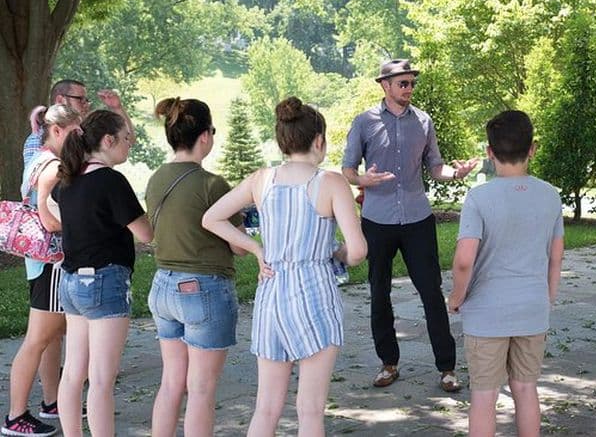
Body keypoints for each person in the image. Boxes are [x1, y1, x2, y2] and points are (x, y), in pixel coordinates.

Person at [203, 96, 367, 437]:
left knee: (266, 408)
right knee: (309, 412)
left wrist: (255, 248)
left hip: (272, 293)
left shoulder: (261, 179)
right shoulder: (331, 183)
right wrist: (335, 252)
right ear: (319, 141)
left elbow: (211, 218)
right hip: (315, 295)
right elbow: (358, 251)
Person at [342, 58, 478, 392]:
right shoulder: (364, 122)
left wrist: (455, 174)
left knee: (432, 293)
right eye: (403, 83)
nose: (409, 89)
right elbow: (347, 170)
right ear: (385, 86)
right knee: (379, 293)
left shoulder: (424, 122)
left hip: (418, 218)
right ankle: (388, 364)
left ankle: (447, 368)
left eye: (412, 83)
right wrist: (363, 180)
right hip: (378, 220)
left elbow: (435, 167)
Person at [447, 110, 564, 437]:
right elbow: (556, 257)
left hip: (487, 314)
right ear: (533, 149)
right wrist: (548, 297)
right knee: (526, 389)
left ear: (489, 152)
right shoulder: (550, 196)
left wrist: (456, 298)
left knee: (484, 397)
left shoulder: (479, 197)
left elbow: (464, 261)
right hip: (532, 308)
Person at [145, 98, 249, 437]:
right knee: (202, 388)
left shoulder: (157, 178)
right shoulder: (212, 184)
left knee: (172, 382)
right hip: (204, 289)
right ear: (205, 136)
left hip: (162, 286)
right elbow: (238, 246)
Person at [50, 110, 153, 437]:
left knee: (73, 374)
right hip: (104, 282)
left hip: (70, 282)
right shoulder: (111, 180)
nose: (128, 146)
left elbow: (53, 207)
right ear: (107, 141)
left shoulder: (69, 178)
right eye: (125, 140)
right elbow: (146, 233)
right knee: (102, 379)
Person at [3, 105, 81, 437]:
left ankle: (51, 403)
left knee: (49, 338)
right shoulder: (53, 166)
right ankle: (15, 416)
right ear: (58, 130)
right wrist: (84, 227)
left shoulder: (39, 157)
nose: (80, 137)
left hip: (42, 264)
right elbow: (49, 219)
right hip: (52, 264)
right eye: (76, 131)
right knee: (37, 340)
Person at [23, 79, 136, 167]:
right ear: (60, 100)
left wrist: (117, 108)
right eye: (80, 99)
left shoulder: (83, 132)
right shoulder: (37, 139)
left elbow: (127, 141)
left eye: (86, 100)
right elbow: (36, 187)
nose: (86, 104)